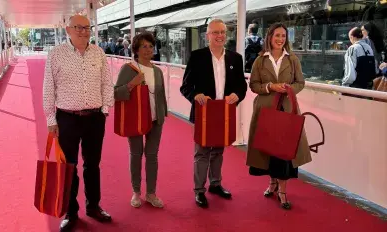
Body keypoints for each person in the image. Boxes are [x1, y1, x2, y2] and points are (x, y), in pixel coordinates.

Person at [42, 15, 114, 231]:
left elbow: (107, 83)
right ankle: (71, 212)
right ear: (68, 30)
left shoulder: (99, 53)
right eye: (78, 27)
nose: (84, 31)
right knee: (69, 167)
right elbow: (48, 88)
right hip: (67, 118)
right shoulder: (56, 54)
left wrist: (105, 109)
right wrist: (50, 119)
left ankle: (93, 206)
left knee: (93, 165)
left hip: (94, 118)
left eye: (87, 27)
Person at [180, 19, 247, 208]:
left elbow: (242, 86)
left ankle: (215, 184)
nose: (219, 36)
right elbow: (185, 87)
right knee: (202, 152)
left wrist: (237, 95)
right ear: (207, 35)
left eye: (222, 32)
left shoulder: (235, 58)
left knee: (218, 150)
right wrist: (196, 95)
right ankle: (199, 190)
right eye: (215, 32)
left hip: (224, 111)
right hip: (204, 112)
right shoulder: (197, 56)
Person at [246, 22, 312, 210]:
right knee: (269, 150)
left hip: (287, 109)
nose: (280, 39)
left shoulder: (292, 60)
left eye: (283, 36)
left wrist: (289, 89)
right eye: (277, 36)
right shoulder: (260, 60)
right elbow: (254, 85)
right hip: (265, 110)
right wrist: (270, 87)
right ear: (269, 37)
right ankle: (272, 183)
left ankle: (282, 190)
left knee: (285, 153)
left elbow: (300, 82)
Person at [114, 32, 168, 208]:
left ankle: (151, 193)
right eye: (144, 46)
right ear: (136, 49)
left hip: (155, 119)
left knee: (152, 156)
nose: (148, 50)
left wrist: (162, 114)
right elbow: (115, 93)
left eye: (151, 46)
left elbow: (160, 96)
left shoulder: (158, 71)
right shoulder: (129, 69)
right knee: (136, 155)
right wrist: (132, 84)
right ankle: (136, 192)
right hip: (136, 119)